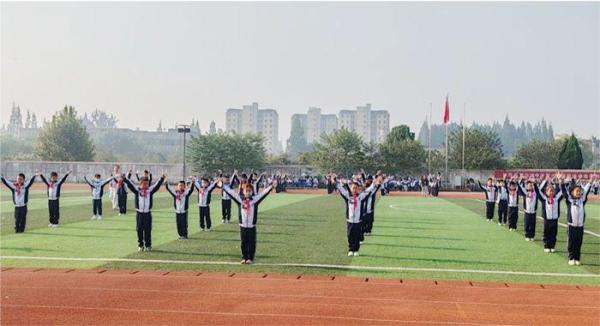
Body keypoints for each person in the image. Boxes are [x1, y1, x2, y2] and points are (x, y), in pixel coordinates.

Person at [221, 178, 276, 264]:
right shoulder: (240, 200)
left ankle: (250, 258)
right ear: (243, 191)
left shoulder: (255, 200)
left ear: (252, 191)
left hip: (251, 226)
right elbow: (231, 193)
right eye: (246, 191)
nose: (248, 192)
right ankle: (244, 257)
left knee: (252, 242)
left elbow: (263, 194)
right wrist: (223, 185)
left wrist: (270, 187)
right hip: (243, 225)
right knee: (243, 242)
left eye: (250, 191)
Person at [333, 173, 382, 257]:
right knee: (350, 235)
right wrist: (335, 181)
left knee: (357, 235)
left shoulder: (361, 197)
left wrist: (374, 183)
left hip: (358, 220)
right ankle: (351, 249)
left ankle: (356, 250)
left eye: (356, 188)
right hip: (350, 220)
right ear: (351, 189)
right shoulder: (348, 197)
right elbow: (341, 189)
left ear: (358, 189)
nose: (355, 189)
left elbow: (368, 190)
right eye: (353, 188)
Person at [123, 173, 165, 251]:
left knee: (148, 229)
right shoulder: (137, 190)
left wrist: (161, 178)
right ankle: (140, 245)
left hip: (147, 213)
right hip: (139, 214)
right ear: (140, 183)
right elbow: (130, 185)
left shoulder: (150, 190)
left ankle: (148, 245)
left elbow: (157, 186)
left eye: (147, 184)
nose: (146, 185)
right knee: (139, 229)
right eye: (144, 184)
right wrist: (125, 179)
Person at [561, 176, 595, 266]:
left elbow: (586, 191)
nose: (579, 193)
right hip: (571, 225)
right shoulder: (570, 200)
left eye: (580, 191)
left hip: (580, 226)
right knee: (571, 242)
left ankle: (577, 258)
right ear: (572, 192)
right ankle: (571, 258)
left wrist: (590, 181)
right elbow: (564, 192)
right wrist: (561, 181)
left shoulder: (582, 200)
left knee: (578, 242)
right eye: (577, 191)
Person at [536, 177, 563, 253]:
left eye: (552, 191)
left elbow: (562, 192)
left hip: (554, 219)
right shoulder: (544, 199)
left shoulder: (557, 198)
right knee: (546, 232)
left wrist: (558, 182)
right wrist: (543, 181)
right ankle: (547, 246)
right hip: (547, 219)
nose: (551, 192)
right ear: (546, 192)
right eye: (549, 191)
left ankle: (552, 246)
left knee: (554, 233)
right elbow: (538, 191)